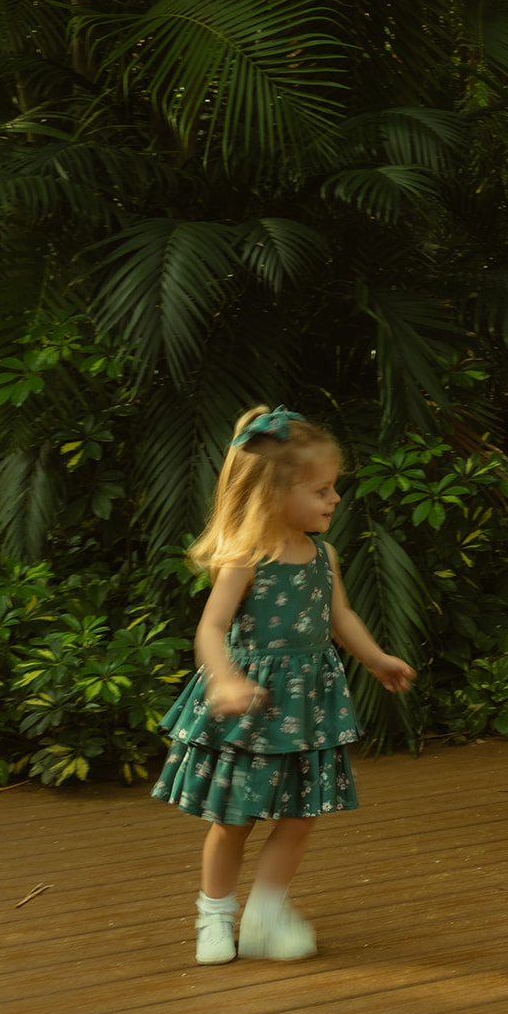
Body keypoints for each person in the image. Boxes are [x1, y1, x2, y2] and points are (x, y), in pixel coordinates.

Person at [152, 406, 415, 965]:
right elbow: (211, 627)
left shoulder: (325, 555)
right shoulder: (247, 559)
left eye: (333, 488)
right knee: (234, 820)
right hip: (248, 704)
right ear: (274, 494)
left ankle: (266, 915)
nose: (334, 499)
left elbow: (339, 616)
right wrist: (224, 678)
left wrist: (374, 658)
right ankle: (214, 916)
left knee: (301, 815)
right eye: (321, 489)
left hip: (307, 702)